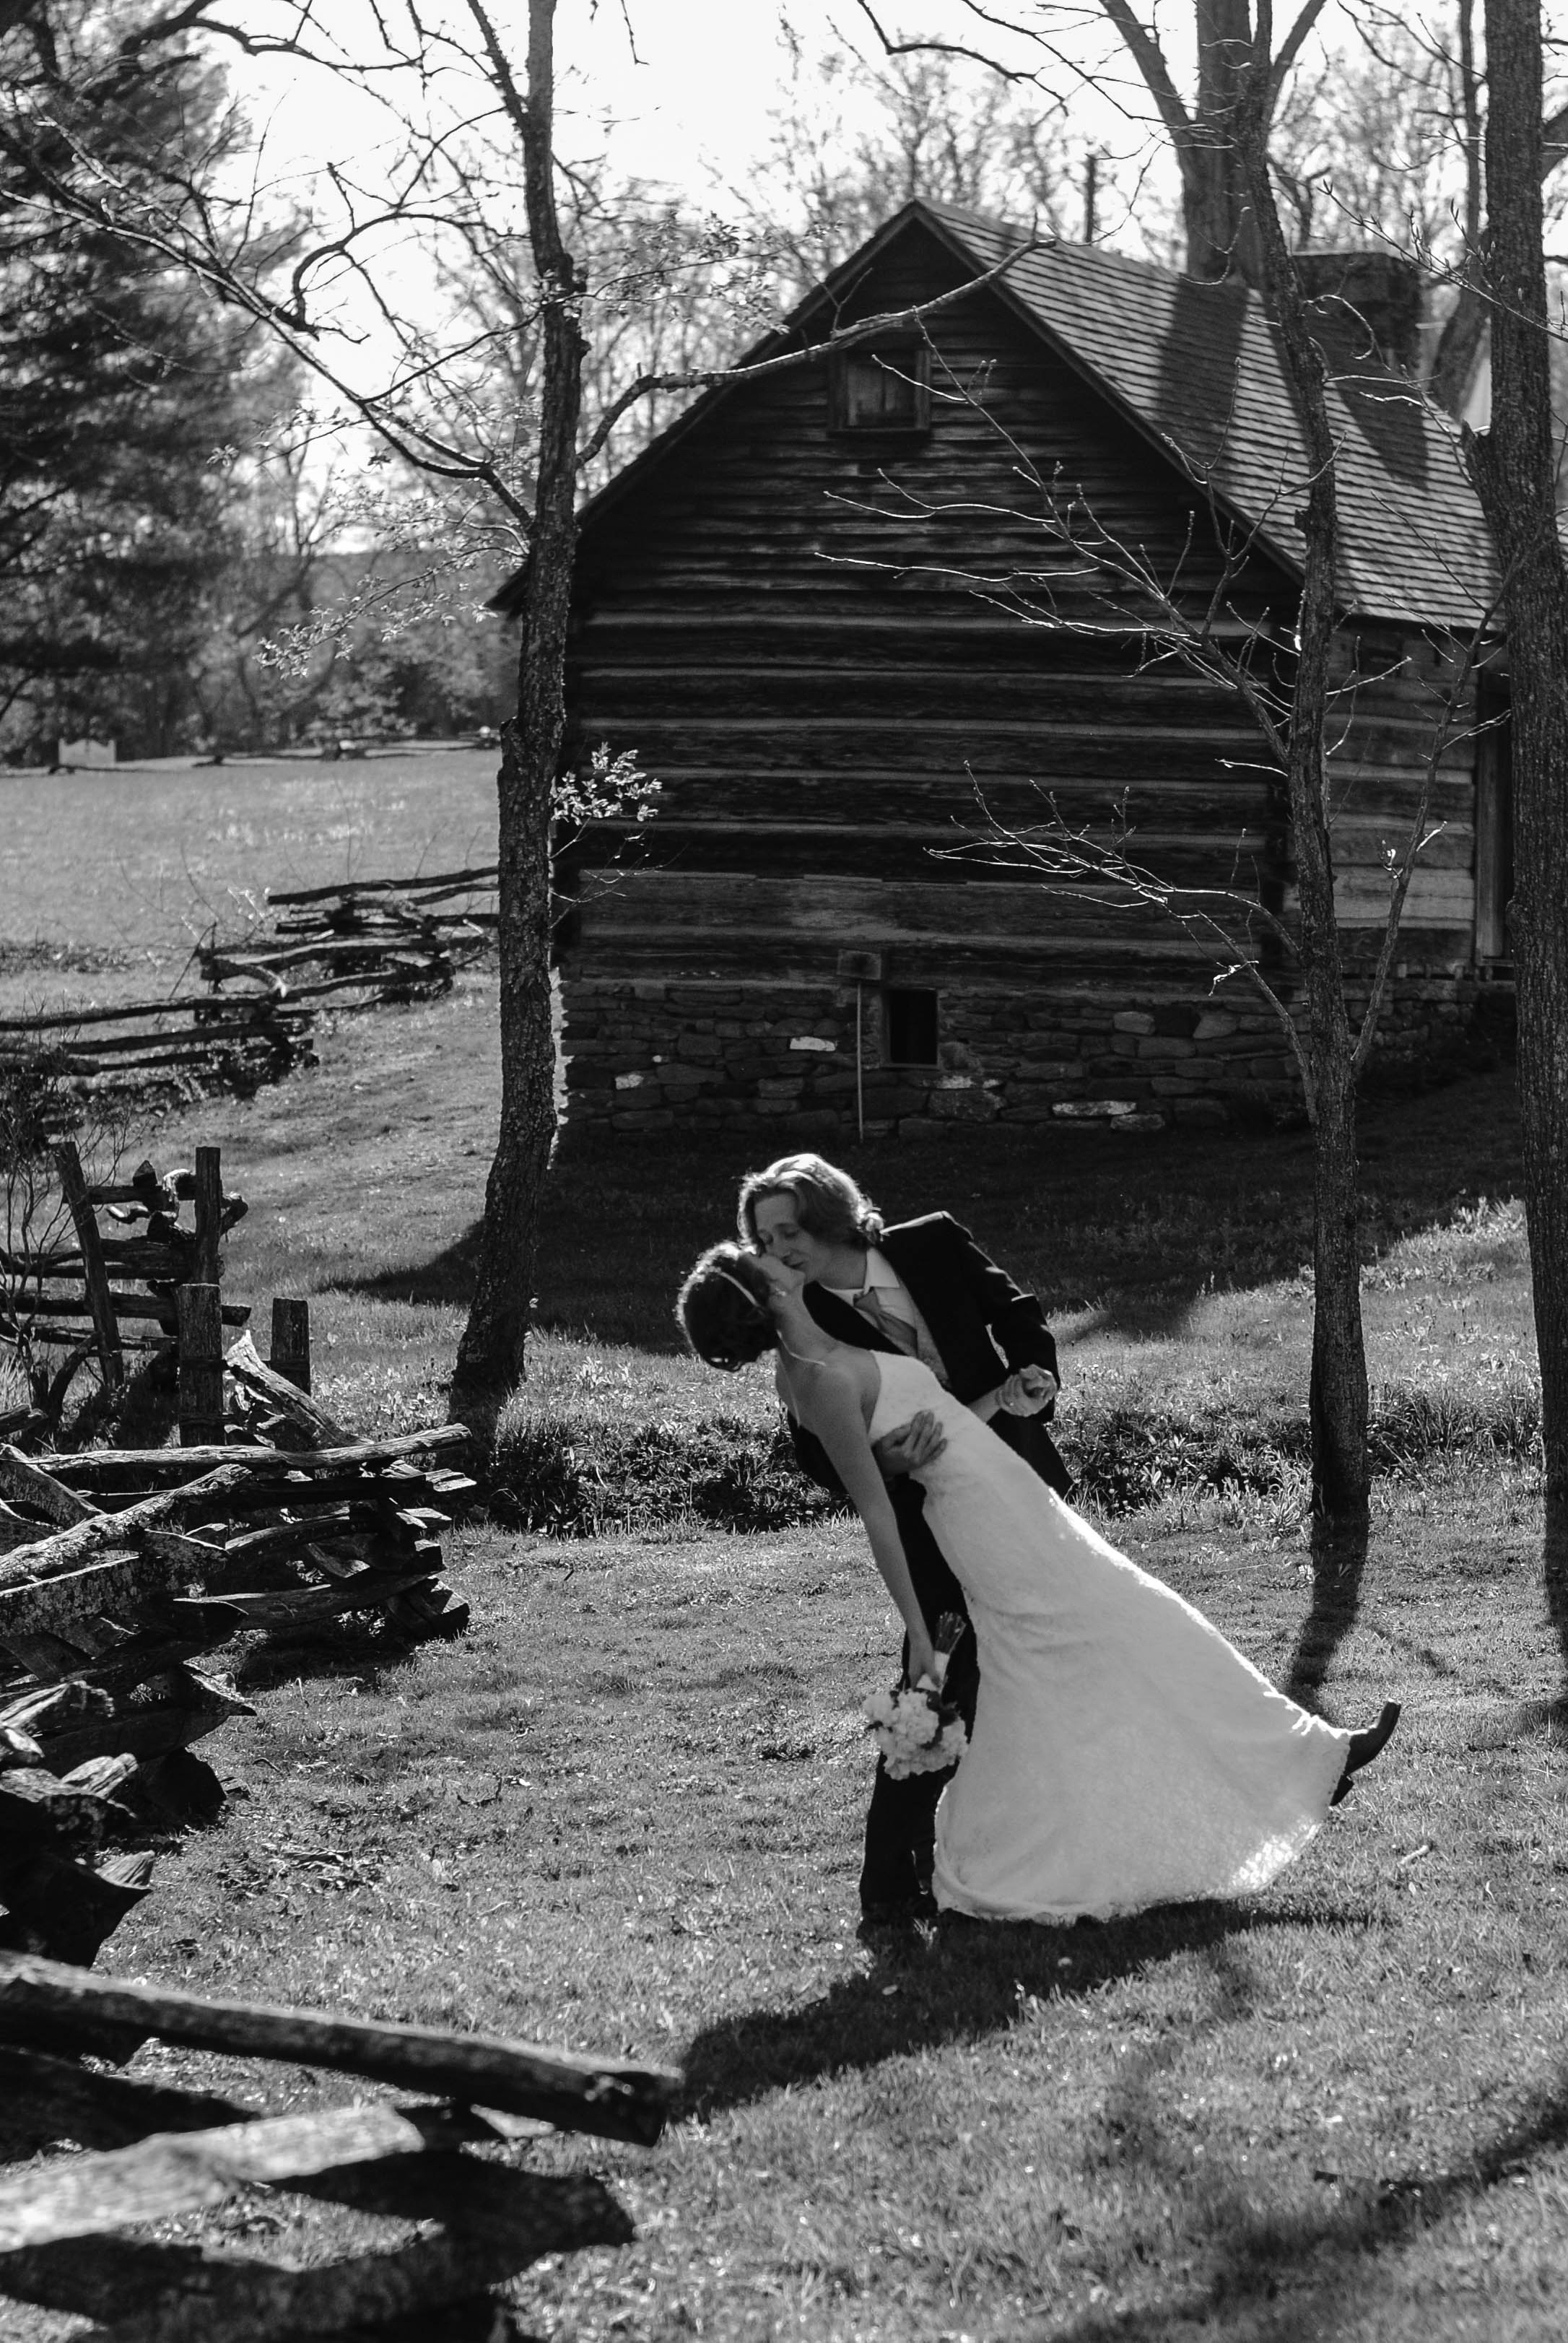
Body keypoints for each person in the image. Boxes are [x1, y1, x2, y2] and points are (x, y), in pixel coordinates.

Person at [676, 1243, 1400, 1929]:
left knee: (1058, 1672)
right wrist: (922, 1636)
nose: (781, 1248)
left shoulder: (824, 1351)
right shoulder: (817, 1375)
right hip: (986, 1524)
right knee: (1148, 1623)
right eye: (766, 1252)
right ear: (767, 1290)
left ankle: (1002, 1853)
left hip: (1012, 1495)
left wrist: (1002, 1396)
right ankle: (1303, 1756)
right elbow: (875, 1513)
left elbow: (941, 1425)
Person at [736, 1153, 1068, 1926]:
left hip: (1018, 1480)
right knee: (944, 1681)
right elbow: (816, 1448)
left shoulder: (932, 1242)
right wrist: (883, 1461)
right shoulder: (801, 1317)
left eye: (789, 1228)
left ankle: (993, 1850)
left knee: (1045, 1663)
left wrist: (1036, 1373)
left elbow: (1018, 1309)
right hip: (925, 1517)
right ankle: (888, 1880)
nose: (776, 1248)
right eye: (762, 1235)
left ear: (832, 1215)